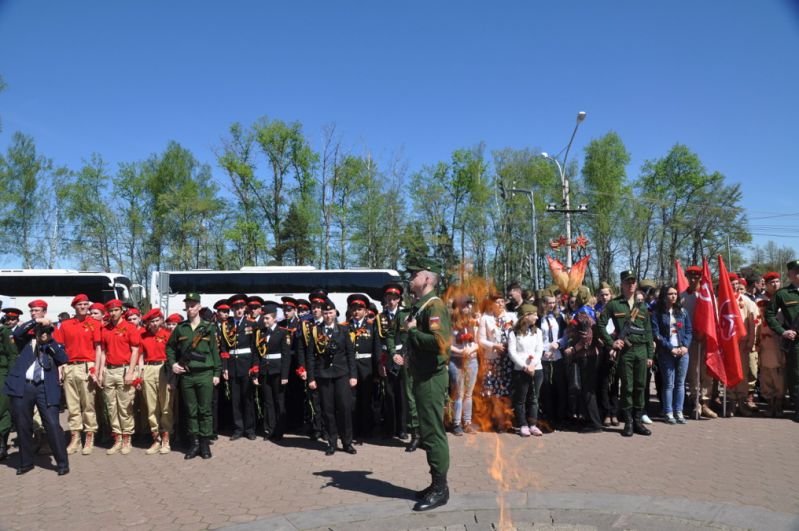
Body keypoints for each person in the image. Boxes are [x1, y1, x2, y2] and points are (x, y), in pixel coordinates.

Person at [406, 261, 452, 512]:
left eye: (415, 274)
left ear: (427, 279)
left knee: (433, 432)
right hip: (423, 376)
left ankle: (440, 489)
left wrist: (413, 332)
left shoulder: (434, 306)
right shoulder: (423, 305)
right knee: (428, 431)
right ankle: (436, 483)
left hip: (432, 378)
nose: (410, 278)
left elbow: (440, 342)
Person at [3, 323, 70, 475]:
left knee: (52, 424)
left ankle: (62, 463)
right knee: (22, 425)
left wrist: (49, 341)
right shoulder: (26, 341)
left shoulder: (53, 345)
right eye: (41, 331)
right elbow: (18, 332)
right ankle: (26, 462)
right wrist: (36, 322)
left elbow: (63, 358)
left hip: (45, 387)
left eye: (46, 331)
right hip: (23, 386)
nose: (43, 334)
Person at [597, 270, 655, 437]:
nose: (631, 284)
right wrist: (611, 342)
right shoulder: (614, 304)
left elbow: (648, 332)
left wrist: (650, 355)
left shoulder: (642, 306)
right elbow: (600, 325)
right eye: (628, 282)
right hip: (625, 352)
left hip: (641, 351)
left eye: (633, 281)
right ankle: (628, 422)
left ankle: (638, 421)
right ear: (621, 284)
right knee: (627, 387)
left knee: (640, 386)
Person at [166, 292, 221, 459]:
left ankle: (205, 444)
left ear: (199, 307)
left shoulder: (208, 327)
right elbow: (170, 347)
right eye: (187, 306)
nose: (189, 308)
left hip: (205, 374)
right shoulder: (180, 328)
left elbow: (214, 350)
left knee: (205, 410)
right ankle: (194, 443)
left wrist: (217, 372)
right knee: (191, 410)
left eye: (192, 305)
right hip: (187, 376)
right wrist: (173, 364)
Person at [305, 299, 357, 455]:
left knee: (345, 408)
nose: (328, 315)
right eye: (326, 312)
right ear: (322, 313)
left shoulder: (343, 330)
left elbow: (350, 354)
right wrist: (311, 378)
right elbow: (310, 356)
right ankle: (332, 442)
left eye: (330, 312)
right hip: (324, 375)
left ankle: (347, 442)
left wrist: (353, 375)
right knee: (328, 411)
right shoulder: (316, 331)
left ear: (335, 313)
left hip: (342, 374)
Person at [52, 294, 101, 456]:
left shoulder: (95, 323)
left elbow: (99, 349)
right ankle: (75, 438)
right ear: (74, 307)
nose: (84, 307)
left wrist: (96, 369)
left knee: (88, 405)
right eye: (80, 304)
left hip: (87, 366)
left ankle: (89, 437)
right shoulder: (65, 325)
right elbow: (59, 347)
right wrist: (61, 367)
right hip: (70, 366)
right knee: (72, 406)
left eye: (86, 304)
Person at [97, 299, 141, 455]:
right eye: (110, 311)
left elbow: (135, 351)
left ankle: (127, 438)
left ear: (121, 311)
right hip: (109, 371)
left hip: (124, 370)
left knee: (125, 406)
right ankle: (117, 438)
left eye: (116, 310)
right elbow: (103, 352)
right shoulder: (105, 329)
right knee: (111, 407)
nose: (113, 313)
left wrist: (130, 372)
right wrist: (100, 372)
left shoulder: (130, 327)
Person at [650, 285, 692, 424]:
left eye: (675, 293)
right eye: (670, 294)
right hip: (666, 352)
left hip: (682, 352)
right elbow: (656, 334)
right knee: (669, 383)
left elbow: (689, 331)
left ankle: (679, 411)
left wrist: (685, 346)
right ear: (664, 296)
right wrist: (670, 348)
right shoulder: (657, 313)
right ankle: (668, 412)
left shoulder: (683, 312)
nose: (673, 296)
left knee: (680, 383)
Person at [219, 293, 258, 440]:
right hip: (232, 366)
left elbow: (254, 348)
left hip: (246, 365)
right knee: (235, 400)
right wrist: (225, 367)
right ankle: (238, 428)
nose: (239, 310)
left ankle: (250, 429)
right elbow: (224, 348)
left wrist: (254, 367)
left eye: (241, 307)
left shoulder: (251, 324)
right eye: (236, 307)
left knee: (247, 399)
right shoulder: (226, 325)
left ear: (245, 308)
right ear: (232, 309)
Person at [377, 283, 412, 441]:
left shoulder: (406, 315)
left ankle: (402, 428)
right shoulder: (380, 318)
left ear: (399, 299)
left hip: (403, 357)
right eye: (389, 298)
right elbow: (378, 342)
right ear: (385, 299)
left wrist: (405, 355)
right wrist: (380, 363)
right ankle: (390, 428)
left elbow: (409, 337)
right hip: (387, 357)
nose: (391, 301)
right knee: (389, 394)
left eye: (394, 298)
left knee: (402, 394)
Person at [764, 259, 799, 423]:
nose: (798, 274)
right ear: (789, 274)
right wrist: (782, 331)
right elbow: (769, 315)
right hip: (796, 343)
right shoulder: (782, 294)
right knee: (796, 376)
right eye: (795, 271)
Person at [252, 302, 292, 441]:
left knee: (279, 401)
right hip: (265, 370)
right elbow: (257, 354)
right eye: (264, 318)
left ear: (274, 319)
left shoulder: (283, 332)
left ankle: (279, 431)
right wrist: (255, 372)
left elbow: (286, 356)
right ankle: (269, 429)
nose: (265, 321)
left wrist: (285, 375)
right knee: (268, 402)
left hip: (277, 371)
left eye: (267, 318)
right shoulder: (261, 333)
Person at [345, 293, 381, 443]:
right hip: (350, 368)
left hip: (367, 368)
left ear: (366, 311)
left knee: (366, 400)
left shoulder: (372, 326)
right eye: (354, 308)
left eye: (359, 309)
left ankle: (366, 431)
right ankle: (353, 431)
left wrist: (377, 370)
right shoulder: (345, 327)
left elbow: (376, 349)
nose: (356, 312)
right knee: (351, 400)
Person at [682, 265, 717, 419]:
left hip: (707, 338)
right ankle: (695, 402)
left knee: (707, 371)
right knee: (693, 371)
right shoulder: (682, 297)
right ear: (687, 277)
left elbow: (713, 316)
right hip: (691, 339)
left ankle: (705, 403)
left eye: (696, 276)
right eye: (690, 276)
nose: (693, 279)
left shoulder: (707, 295)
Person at [139, 309, 174, 454]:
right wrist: (141, 373)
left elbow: (172, 355)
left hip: (163, 368)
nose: (153, 324)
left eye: (156, 320)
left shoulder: (167, 334)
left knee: (165, 405)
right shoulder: (143, 336)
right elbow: (141, 356)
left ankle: (166, 438)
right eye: (151, 321)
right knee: (151, 406)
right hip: (148, 368)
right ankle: (156, 439)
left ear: (161, 320)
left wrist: (171, 377)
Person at [507, 303, 544, 436]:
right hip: (521, 370)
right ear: (526, 316)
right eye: (534, 314)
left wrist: (533, 365)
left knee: (534, 398)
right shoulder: (513, 332)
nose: (537, 317)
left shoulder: (538, 332)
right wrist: (524, 366)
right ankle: (523, 425)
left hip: (536, 369)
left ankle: (533, 424)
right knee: (520, 399)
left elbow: (539, 350)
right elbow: (512, 352)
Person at [448, 296, 479, 436]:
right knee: (458, 393)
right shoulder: (450, 323)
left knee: (468, 394)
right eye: (466, 305)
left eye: (470, 305)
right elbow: (446, 344)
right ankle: (456, 423)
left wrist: (471, 350)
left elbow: (478, 342)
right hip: (457, 360)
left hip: (472, 360)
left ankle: (467, 422)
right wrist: (460, 351)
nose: (469, 307)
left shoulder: (474, 322)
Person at [0, 315, 17, 460]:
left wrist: (12, 377)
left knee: (3, 407)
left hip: (2, 373)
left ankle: (2, 444)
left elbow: (12, 355)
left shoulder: (5, 332)